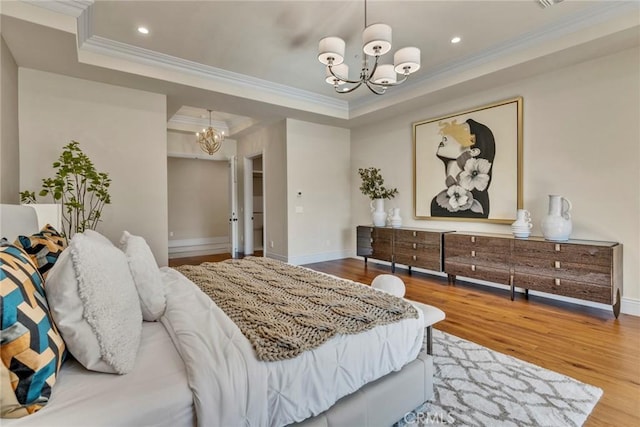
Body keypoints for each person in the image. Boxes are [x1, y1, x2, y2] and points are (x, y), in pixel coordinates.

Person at [430, 118, 495, 218]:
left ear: (473, 151)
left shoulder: (476, 204)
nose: (447, 135)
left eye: (459, 133)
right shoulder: (438, 202)